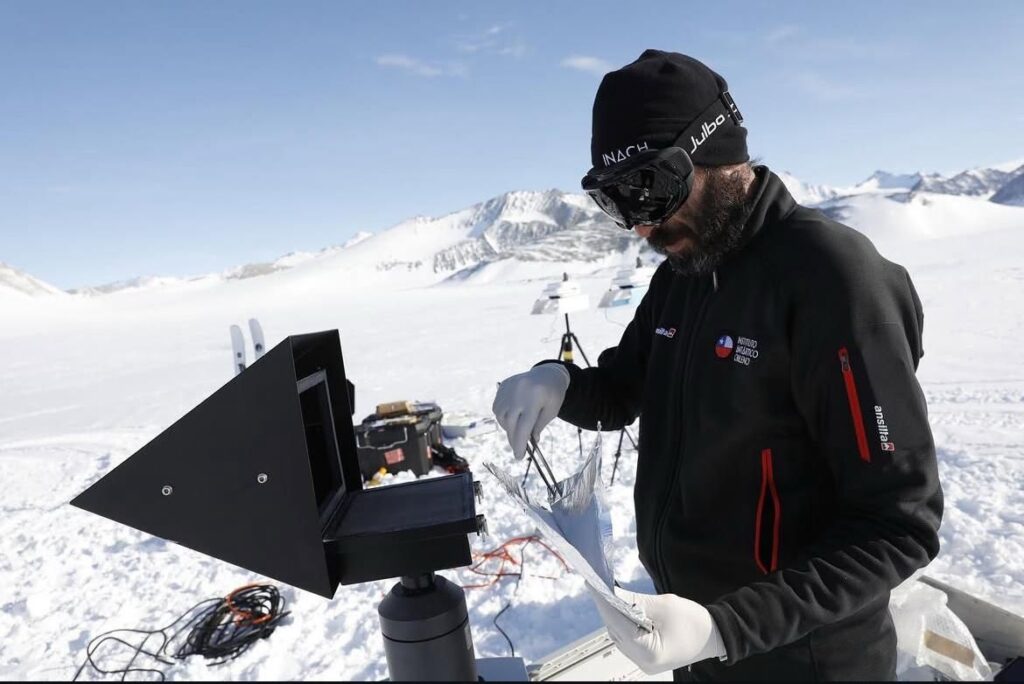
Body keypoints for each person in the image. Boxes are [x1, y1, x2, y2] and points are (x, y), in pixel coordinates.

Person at [492, 49, 943, 681]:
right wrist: (559, 381)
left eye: (651, 191)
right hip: (696, 642)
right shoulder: (686, 269)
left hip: (803, 659)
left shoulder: (831, 281)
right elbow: (623, 387)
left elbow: (898, 524)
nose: (642, 227)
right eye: (618, 203)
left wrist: (726, 628)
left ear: (715, 153)